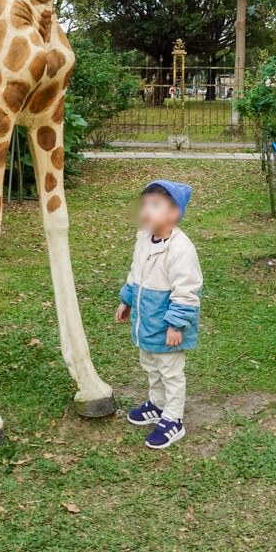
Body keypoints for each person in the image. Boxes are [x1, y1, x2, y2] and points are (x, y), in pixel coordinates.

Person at [116, 179, 202, 449]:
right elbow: (136, 271)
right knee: (150, 364)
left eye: (155, 205)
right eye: (145, 205)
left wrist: (176, 325)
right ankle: (157, 403)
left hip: (167, 326)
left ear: (174, 213)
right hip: (147, 322)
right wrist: (127, 299)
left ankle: (173, 419)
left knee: (170, 372)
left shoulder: (181, 249)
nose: (146, 211)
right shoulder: (144, 238)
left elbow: (187, 290)